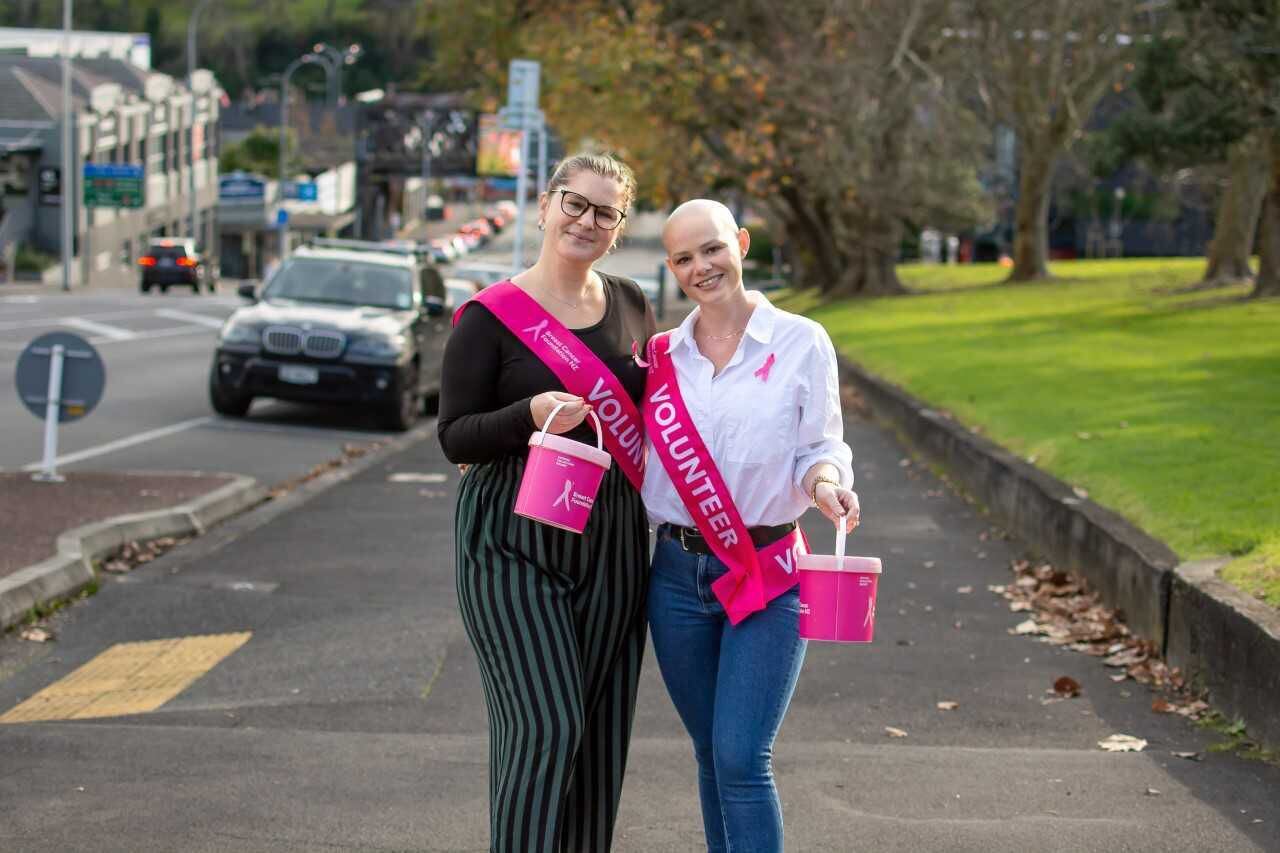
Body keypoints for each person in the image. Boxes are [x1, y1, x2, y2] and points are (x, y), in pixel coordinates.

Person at [438, 153, 656, 853]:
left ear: (618, 228)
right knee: (545, 722)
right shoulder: (488, 316)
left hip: (613, 532)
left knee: (596, 730)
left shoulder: (632, 304)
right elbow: (453, 436)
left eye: (605, 212)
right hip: (510, 533)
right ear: (544, 204)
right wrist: (527, 412)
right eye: (576, 203)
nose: (586, 221)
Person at [641, 199, 859, 853]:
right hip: (677, 577)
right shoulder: (660, 358)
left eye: (712, 248)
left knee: (742, 754)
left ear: (740, 242)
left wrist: (827, 485)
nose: (702, 266)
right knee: (711, 752)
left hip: (768, 572)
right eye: (684, 257)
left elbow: (822, 444)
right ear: (672, 269)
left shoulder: (801, 341)